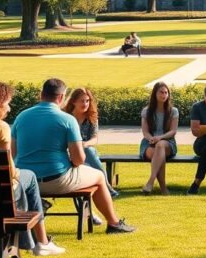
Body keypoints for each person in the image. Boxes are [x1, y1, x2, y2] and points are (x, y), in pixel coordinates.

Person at [13, 78, 135, 234]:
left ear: (41, 94)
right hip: (56, 179)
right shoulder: (67, 120)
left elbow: (14, 153)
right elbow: (78, 159)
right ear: (61, 97)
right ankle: (114, 223)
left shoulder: (21, 117)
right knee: (98, 176)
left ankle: (43, 205)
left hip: (26, 181)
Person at [0, 82, 65, 256]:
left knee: (25, 179)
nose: (9, 109)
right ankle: (42, 242)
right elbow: (8, 171)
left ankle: (36, 241)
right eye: (7, 103)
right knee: (29, 177)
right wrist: (18, 175)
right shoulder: (0, 128)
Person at [64, 88, 117, 200]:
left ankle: (107, 187)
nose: (85, 104)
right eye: (82, 101)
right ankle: (108, 189)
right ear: (74, 102)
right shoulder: (66, 118)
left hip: (86, 150)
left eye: (87, 101)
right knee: (88, 152)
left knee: (89, 150)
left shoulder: (91, 117)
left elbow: (94, 139)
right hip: (69, 151)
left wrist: (84, 144)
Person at [139, 82, 179, 194]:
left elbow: (173, 131)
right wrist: (151, 138)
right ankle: (163, 189)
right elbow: (145, 132)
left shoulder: (173, 111)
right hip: (149, 143)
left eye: (166, 92)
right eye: (161, 92)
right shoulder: (146, 111)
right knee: (159, 155)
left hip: (168, 142)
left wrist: (160, 138)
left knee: (160, 146)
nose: (164, 95)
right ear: (155, 94)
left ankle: (150, 182)